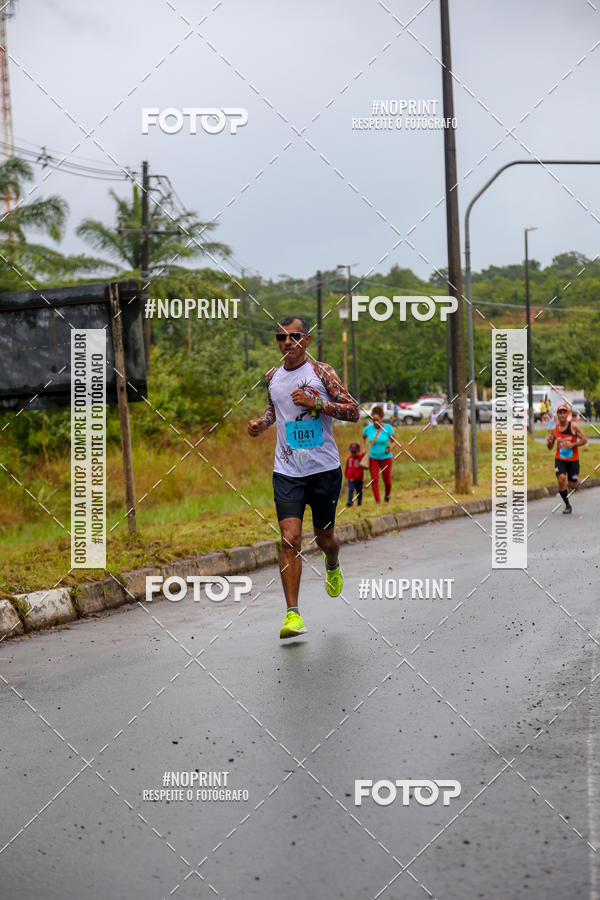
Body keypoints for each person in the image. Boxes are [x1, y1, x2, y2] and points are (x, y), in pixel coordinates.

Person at [247, 316, 359, 639]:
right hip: (287, 471)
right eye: (281, 338)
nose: (287, 343)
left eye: (294, 337)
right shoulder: (272, 377)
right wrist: (261, 424)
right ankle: (293, 614)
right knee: (289, 538)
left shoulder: (322, 373)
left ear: (306, 340)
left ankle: (333, 561)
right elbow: (275, 410)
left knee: (324, 539)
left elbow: (352, 410)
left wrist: (317, 403)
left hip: (323, 470)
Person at [546, 403, 587, 515]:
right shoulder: (554, 429)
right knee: (561, 479)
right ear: (558, 415)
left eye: (564, 412)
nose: (562, 415)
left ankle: (572, 485)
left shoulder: (573, 427)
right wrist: (549, 442)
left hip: (573, 459)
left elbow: (584, 440)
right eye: (560, 413)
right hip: (560, 459)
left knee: (573, 484)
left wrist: (573, 445)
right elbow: (550, 447)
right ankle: (567, 505)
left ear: (567, 414)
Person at [362, 405, 394, 503]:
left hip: (386, 458)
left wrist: (390, 448)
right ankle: (378, 501)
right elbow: (363, 438)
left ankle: (387, 495)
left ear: (381, 418)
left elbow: (394, 441)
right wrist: (363, 448)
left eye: (377, 419)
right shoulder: (368, 429)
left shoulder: (388, 428)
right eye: (373, 419)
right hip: (373, 458)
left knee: (387, 480)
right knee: (374, 479)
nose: (375, 421)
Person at [344, 442, 364, 507]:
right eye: (352, 452)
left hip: (358, 479)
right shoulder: (349, 458)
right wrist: (346, 474)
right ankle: (350, 502)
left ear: (358, 451)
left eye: (355, 452)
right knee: (350, 489)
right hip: (350, 478)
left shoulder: (360, 458)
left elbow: (361, 469)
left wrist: (355, 477)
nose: (353, 454)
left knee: (359, 491)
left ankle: (359, 502)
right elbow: (347, 467)